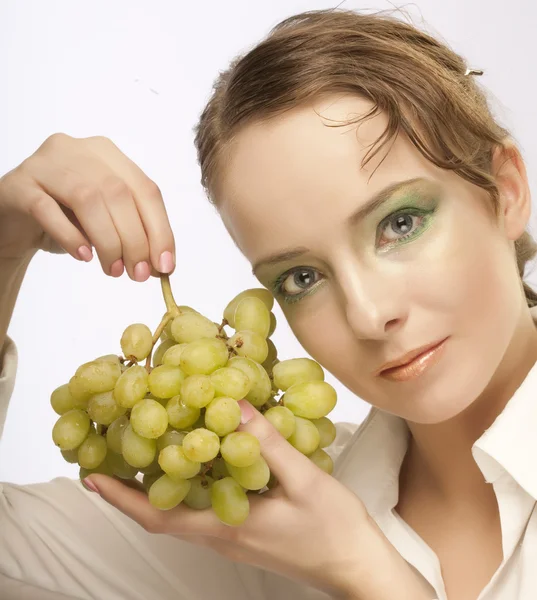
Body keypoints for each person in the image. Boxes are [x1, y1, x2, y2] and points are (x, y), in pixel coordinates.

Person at [1, 7, 536, 600]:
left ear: (506, 190)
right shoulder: (266, 513)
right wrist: (2, 247)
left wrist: (367, 575)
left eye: (400, 223)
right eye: (301, 277)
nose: (367, 314)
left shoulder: (307, 538)